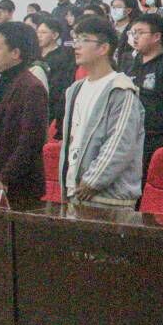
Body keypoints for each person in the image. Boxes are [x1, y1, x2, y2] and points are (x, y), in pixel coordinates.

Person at [57, 17, 144, 206]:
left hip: (107, 199)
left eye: (84, 40)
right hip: (75, 194)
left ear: (104, 48)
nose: (76, 46)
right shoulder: (75, 89)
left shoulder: (121, 89)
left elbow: (120, 143)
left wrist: (92, 182)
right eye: (76, 39)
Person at [0, 22, 48, 203]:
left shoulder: (32, 87)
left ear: (15, 53)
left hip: (16, 185)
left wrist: (7, 176)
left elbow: (31, 140)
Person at [124, 12, 163, 184]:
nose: (135, 37)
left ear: (156, 36)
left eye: (140, 32)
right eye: (132, 32)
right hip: (130, 139)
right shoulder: (131, 64)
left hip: (157, 142)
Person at [36, 16, 75, 135]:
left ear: (55, 35)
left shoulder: (62, 57)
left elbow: (58, 87)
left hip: (51, 108)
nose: (39, 36)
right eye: (38, 32)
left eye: (43, 32)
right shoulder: (35, 56)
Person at [109, 0, 140, 69]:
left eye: (118, 7)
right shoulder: (109, 27)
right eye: (113, 7)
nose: (114, 10)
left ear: (128, 10)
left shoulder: (134, 29)